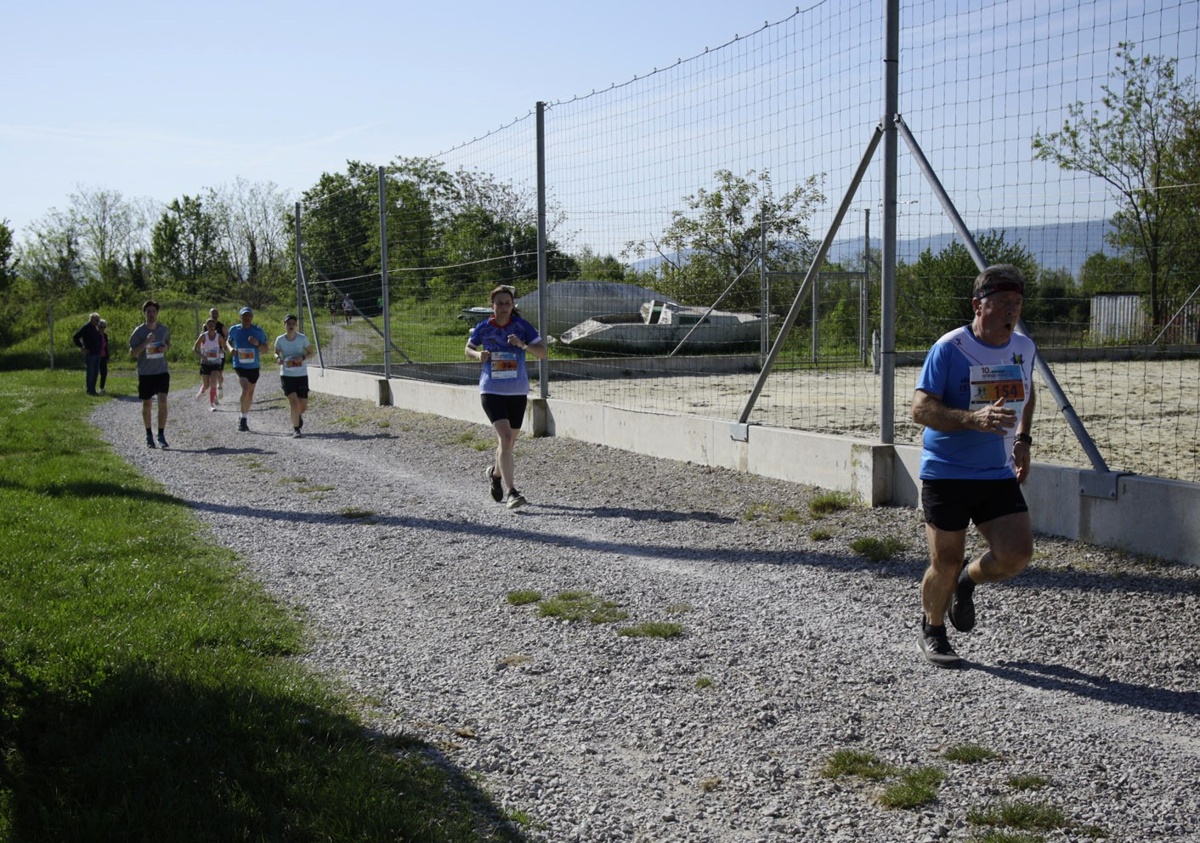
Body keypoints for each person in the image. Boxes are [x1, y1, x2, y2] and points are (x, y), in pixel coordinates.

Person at [912, 264, 1037, 667]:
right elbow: (920, 409)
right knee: (944, 561)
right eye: (1001, 303)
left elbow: (1027, 392)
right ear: (977, 306)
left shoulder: (1024, 347)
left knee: (1016, 555)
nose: (1010, 312)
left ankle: (967, 581)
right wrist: (972, 419)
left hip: (995, 472)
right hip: (946, 471)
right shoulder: (950, 348)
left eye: (1016, 303)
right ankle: (932, 630)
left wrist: (1021, 439)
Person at [465, 285, 548, 510]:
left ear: (513, 306)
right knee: (505, 438)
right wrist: (478, 355)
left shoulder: (522, 327)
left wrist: (522, 345)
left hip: (517, 391)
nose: (504, 307)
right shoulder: (484, 327)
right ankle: (512, 492)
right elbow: (468, 348)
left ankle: (495, 474)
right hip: (491, 390)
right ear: (492, 306)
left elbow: (542, 352)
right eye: (499, 303)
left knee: (509, 443)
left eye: (508, 303)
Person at [129, 300, 172, 449]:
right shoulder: (139, 331)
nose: (151, 314)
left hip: (161, 371)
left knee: (162, 400)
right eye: (148, 311)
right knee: (147, 403)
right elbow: (133, 353)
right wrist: (146, 343)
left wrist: (165, 348)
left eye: (154, 311)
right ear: (144, 313)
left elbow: (168, 344)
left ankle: (161, 434)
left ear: (157, 313)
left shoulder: (163, 329)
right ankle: (149, 434)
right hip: (146, 373)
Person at [226, 306, 268, 432]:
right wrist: (230, 349)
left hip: (253, 366)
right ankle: (242, 419)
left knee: (250, 393)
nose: (246, 318)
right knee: (245, 389)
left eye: (248, 315)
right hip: (239, 365)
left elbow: (265, 349)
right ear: (240, 317)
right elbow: (228, 342)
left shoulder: (258, 331)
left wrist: (257, 344)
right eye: (244, 315)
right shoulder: (234, 329)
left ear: (252, 317)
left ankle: (244, 415)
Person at [273, 314, 315, 437]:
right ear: (284, 325)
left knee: (303, 405)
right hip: (286, 375)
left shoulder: (302, 339)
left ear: (295, 325)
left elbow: (311, 352)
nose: (291, 326)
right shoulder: (280, 339)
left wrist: (301, 358)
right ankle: (296, 429)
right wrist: (277, 359)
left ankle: (298, 415)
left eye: (293, 324)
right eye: (288, 324)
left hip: (301, 374)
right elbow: (276, 352)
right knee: (293, 402)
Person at [193, 318, 224, 410]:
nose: (211, 327)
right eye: (209, 326)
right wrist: (202, 356)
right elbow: (194, 348)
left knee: (214, 380)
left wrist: (221, 350)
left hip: (216, 362)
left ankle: (211, 404)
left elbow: (224, 347)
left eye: (212, 326)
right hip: (205, 363)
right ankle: (202, 391)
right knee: (206, 385)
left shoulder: (218, 337)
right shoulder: (203, 336)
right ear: (206, 326)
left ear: (215, 327)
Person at [72, 311, 103, 395]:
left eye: (98, 320)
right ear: (91, 320)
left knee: (96, 372)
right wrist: (82, 347)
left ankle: (93, 389)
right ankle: (89, 390)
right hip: (90, 354)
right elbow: (76, 337)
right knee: (90, 372)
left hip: (97, 353)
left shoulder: (95, 328)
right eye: (96, 320)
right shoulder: (86, 328)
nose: (98, 322)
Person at [208, 307, 228, 396]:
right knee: (211, 373)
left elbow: (228, 337)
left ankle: (219, 386)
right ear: (210, 314)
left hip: (220, 352)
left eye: (216, 313)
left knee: (219, 373)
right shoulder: (205, 326)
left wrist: (224, 347)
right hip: (209, 353)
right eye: (213, 313)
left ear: (218, 315)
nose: (214, 315)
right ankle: (213, 392)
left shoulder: (221, 326)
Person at [97, 318, 110, 394]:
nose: (102, 328)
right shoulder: (95, 335)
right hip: (96, 356)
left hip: (103, 356)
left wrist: (107, 356)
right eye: (101, 327)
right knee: (95, 372)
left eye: (104, 327)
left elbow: (106, 347)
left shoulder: (105, 335)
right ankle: (92, 388)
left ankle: (102, 387)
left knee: (104, 372)